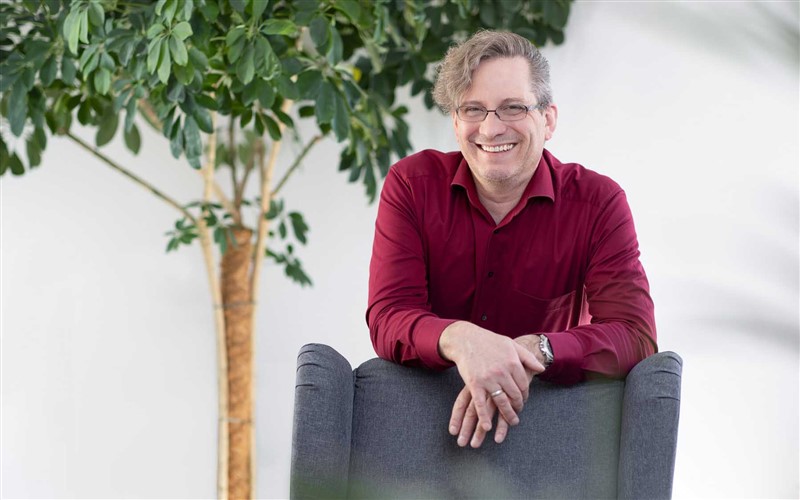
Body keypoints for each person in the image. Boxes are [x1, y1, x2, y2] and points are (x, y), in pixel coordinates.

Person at [366, 30, 656, 450]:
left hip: (546, 427)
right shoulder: (411, 185)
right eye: (473, 109)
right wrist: (465, 341)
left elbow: (635, 335)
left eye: (512, 107)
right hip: (427, 425)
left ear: (548, 120)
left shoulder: (598, 203)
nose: (490, 128)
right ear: (456, 122)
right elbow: (388, 316)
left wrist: (535, 350)